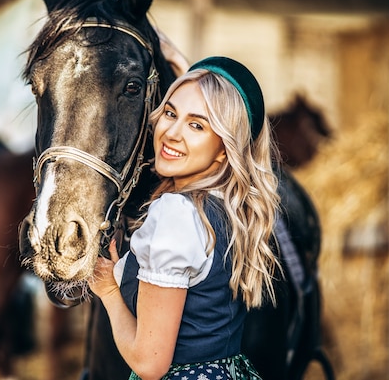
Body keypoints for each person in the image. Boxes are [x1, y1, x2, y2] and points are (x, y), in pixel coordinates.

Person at [89, 56, 282, 380]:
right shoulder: (229, 208)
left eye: (197, 125)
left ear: (225, 147)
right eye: (170, 113)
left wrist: (109, 293)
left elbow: (150, 364)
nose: (171, 133)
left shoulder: (176, 214)